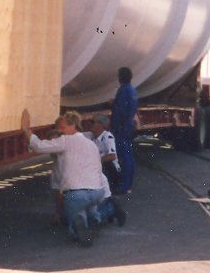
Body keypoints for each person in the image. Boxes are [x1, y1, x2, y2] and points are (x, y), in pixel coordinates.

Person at [22, 109, 124, 246]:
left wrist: (26, 130)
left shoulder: (64, 141)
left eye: (62, 127)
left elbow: (38, 146)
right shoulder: (90, 143)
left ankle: (77, 228)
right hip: (97, 191)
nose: (60, 131)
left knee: (75, 210)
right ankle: (107, 210)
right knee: (92, 213)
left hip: (77, 194)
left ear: (73, 126)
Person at [110, 66, 139, 194]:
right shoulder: (132, 90)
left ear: (120, 77)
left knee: (123, 156)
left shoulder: (123, 90)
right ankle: (128, 183)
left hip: (121, 127)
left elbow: (121, 110)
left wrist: (112, 104)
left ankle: (124, 185)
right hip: (128, 126)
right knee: (128, 155)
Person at [89, 114, 121, 192]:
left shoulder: (107, 136)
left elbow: (112, 156)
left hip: (109, 168)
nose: (90, 124)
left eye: (92, 122)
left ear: (100, 125)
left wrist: (96, 161)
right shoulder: (93, 137)